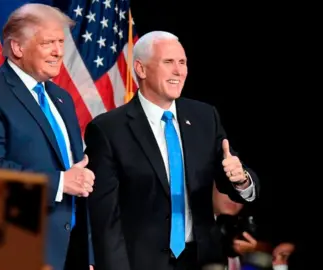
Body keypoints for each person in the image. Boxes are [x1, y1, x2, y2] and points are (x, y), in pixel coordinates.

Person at [84, 30, 260, 270]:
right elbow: (105, 218)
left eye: (183, 62)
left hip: (202, 261)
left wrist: (241, 180)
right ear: (141, 69)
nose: (179, 71)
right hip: (140, 263)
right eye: (169, 62)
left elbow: (231, 176)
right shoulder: (108, 129)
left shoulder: (205, 117)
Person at [0, 4, 94, 270]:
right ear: (17, 48)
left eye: (61, 42)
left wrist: (88, 253)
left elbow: (77, 171)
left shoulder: (61, 98)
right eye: (48, 43)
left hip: (71, 251)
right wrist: (61, 182)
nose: (58, 52)